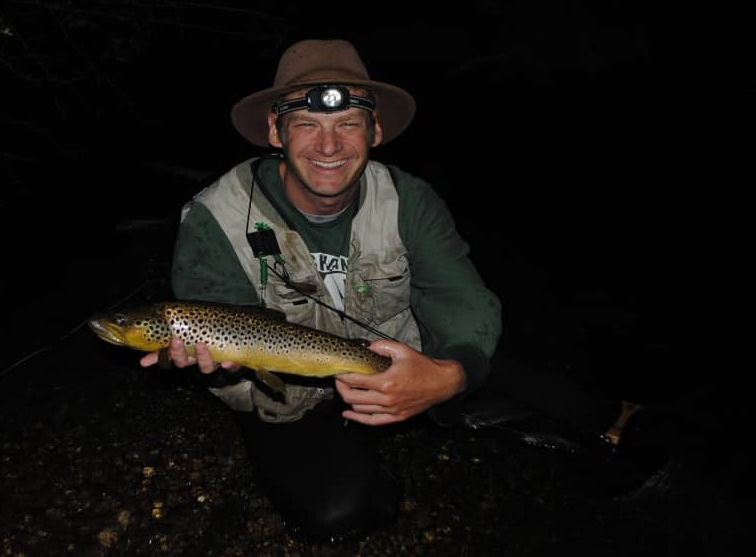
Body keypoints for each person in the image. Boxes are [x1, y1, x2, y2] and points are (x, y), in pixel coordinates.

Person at [138, 39, 620, 540]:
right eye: (307, 124)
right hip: (295, 397)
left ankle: (595, 416)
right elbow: (220, 333)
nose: (329, 146)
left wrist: (451, 375)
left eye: (348, 123)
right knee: (335, 515)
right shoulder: (215, 217)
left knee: (514, 370)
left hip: (403, 355)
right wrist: (217, 369)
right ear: (274, 132)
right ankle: (383, 451)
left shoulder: (409, 198)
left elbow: (461, 298)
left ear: (376, 130)